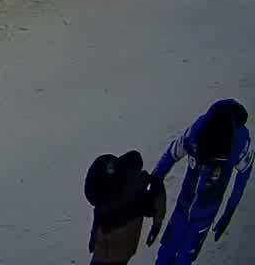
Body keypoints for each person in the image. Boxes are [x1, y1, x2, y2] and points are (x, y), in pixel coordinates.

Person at [150, 99, 251, 264]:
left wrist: (229, 210)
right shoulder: (195, 132)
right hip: (183, 205)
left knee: (184, 260)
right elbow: (172, 153)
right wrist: (156, 177)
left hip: (206, 212)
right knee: (165, 254)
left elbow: (244, 174)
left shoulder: (240, 142)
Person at [86, 149, 166, 264]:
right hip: (106, 246)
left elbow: (157, 194)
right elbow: (99, 212)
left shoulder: (137, 191)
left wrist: (157, 223)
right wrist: (94, 234)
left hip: (120, 249)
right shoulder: (105, 186)